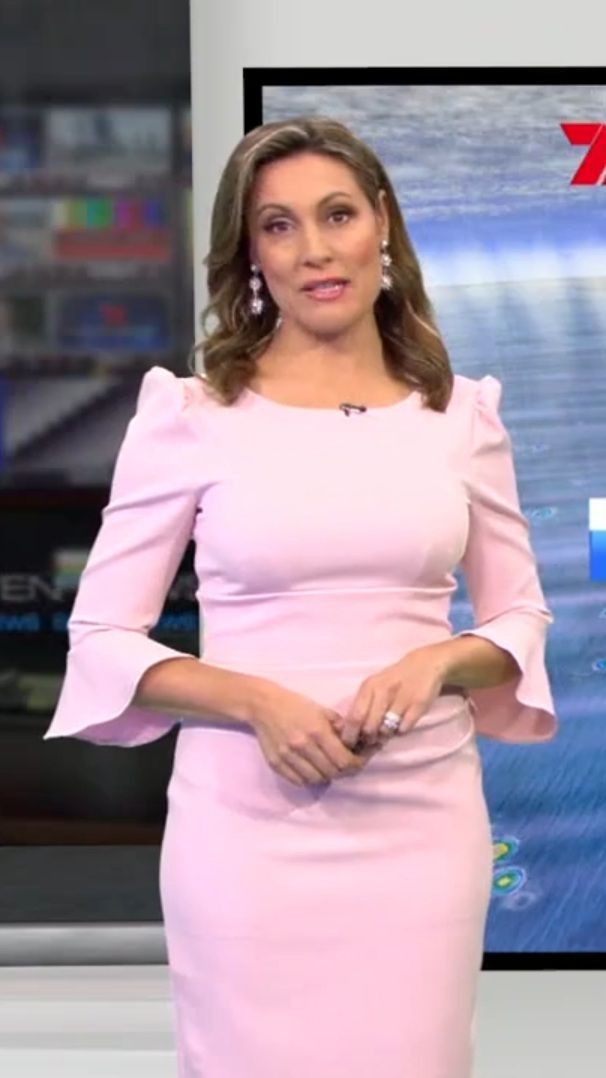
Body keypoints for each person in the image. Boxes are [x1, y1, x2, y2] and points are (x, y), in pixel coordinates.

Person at [43, 115, 558, 1077]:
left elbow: (518, 619)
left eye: (337, 215)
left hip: (421, 829)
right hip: (245, 834)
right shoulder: (191, 416)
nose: (315, 249)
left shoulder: (461, 416)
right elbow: (103, 636)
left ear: (383, 224)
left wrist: (437, 661)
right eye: (278, 226)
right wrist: (256, 703)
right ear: (251, 254)